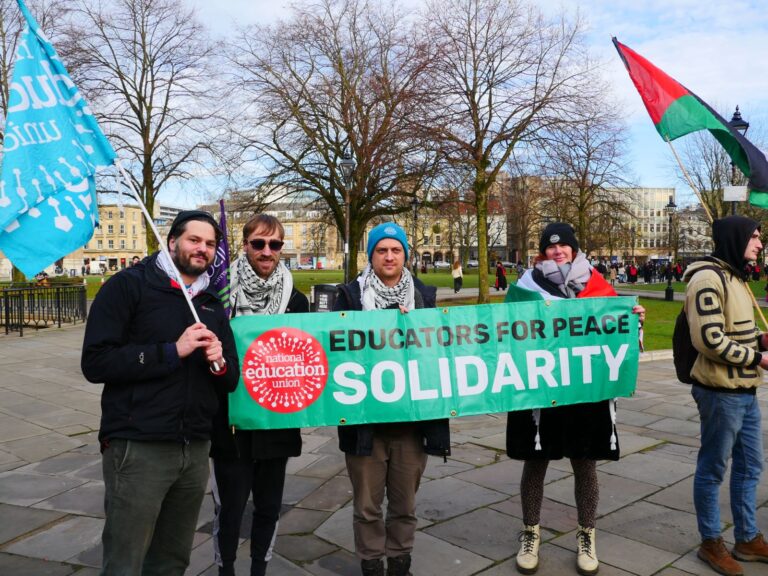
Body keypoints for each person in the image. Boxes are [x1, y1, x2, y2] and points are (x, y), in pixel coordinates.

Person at [81, 210, 239, 576]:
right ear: (172, 242)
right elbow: (96, 363)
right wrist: (173, 351)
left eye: (210, 244)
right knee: (126, 559)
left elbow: (230, 380)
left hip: (195, 448)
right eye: (194, 240)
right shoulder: (128, 286)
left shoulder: (212, 303)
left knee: (172, 560)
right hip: (139, 448)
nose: (202, 249)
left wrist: (219, 362)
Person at [505, 222, 645, 576]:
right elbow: (506, 333)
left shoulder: (598, 285)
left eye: (564, 246)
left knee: (585, 463)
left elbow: (617, 337)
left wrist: (633, 321)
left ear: (574, 248)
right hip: (542, 390)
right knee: (535, 462)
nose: (557, 251)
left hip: (585, 392)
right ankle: (531, 533)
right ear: (542, 252)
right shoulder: (525, 287)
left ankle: (587, 534)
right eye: (550, 247)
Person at [333, 222, 451, 576]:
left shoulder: (424, 297)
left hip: (411, 425)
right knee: (367, 506)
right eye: (381, 250)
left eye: (395, 250)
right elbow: (337, 351)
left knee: (405, 504)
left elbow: (443, 353)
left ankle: (400, 563)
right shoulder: (350, 296)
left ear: (405, 255)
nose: (388, 256)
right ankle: (371, 565)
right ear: (371, 255)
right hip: (366, 424)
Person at [210, 214, 309, 576]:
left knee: (269, 506)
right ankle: (226, 570)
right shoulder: (220, 293)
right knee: (230, 508)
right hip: (230, 421)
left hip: (276, 421)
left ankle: (259, 569)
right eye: (258, 243)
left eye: (275, 244)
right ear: (245, 245)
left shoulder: (297, 301)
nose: (267, 251)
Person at [683, 216, 768, 576]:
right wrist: (759, 358)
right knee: (713, 469)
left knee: (751, 466)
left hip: (745, 391)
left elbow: (737, 332)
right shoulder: (707, 278)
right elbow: (710, 339)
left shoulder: (736, 276)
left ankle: (747, 538)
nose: (760, 243)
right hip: (720, 393)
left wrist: (760, 341)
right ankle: (710, 542)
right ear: (735, 238)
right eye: (754, 236)